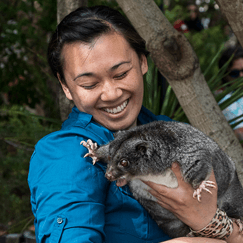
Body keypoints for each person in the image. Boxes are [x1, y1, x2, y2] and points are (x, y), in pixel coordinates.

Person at [28, 5, 242, 243]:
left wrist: (211, 223)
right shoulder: (68, 153)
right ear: (66, 86)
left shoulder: (168, 131)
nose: (110, 94)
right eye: (89, 84)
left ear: (142, 62)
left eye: (120, 74)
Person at [218, 46, 243, 141]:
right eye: (235, 73)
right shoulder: (226, 100)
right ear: (225, 75)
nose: (241, 76)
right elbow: (239, 133)